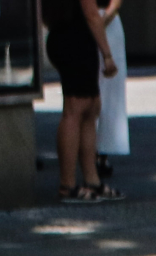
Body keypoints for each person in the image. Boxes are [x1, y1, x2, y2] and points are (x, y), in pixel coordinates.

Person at [44, 0, 119, 202]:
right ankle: (67, 185)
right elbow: (91, 13)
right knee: (76, 107)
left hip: (72, 37)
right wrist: (107, 54)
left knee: (91, 106)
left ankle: (91, 180)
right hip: (73, 39)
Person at [94, 0, 130, 188]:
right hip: (96, 21)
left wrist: (100, 22)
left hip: (102, 23)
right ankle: (94, 153)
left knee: (109, 92)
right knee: (92, 92)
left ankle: (102, 152)